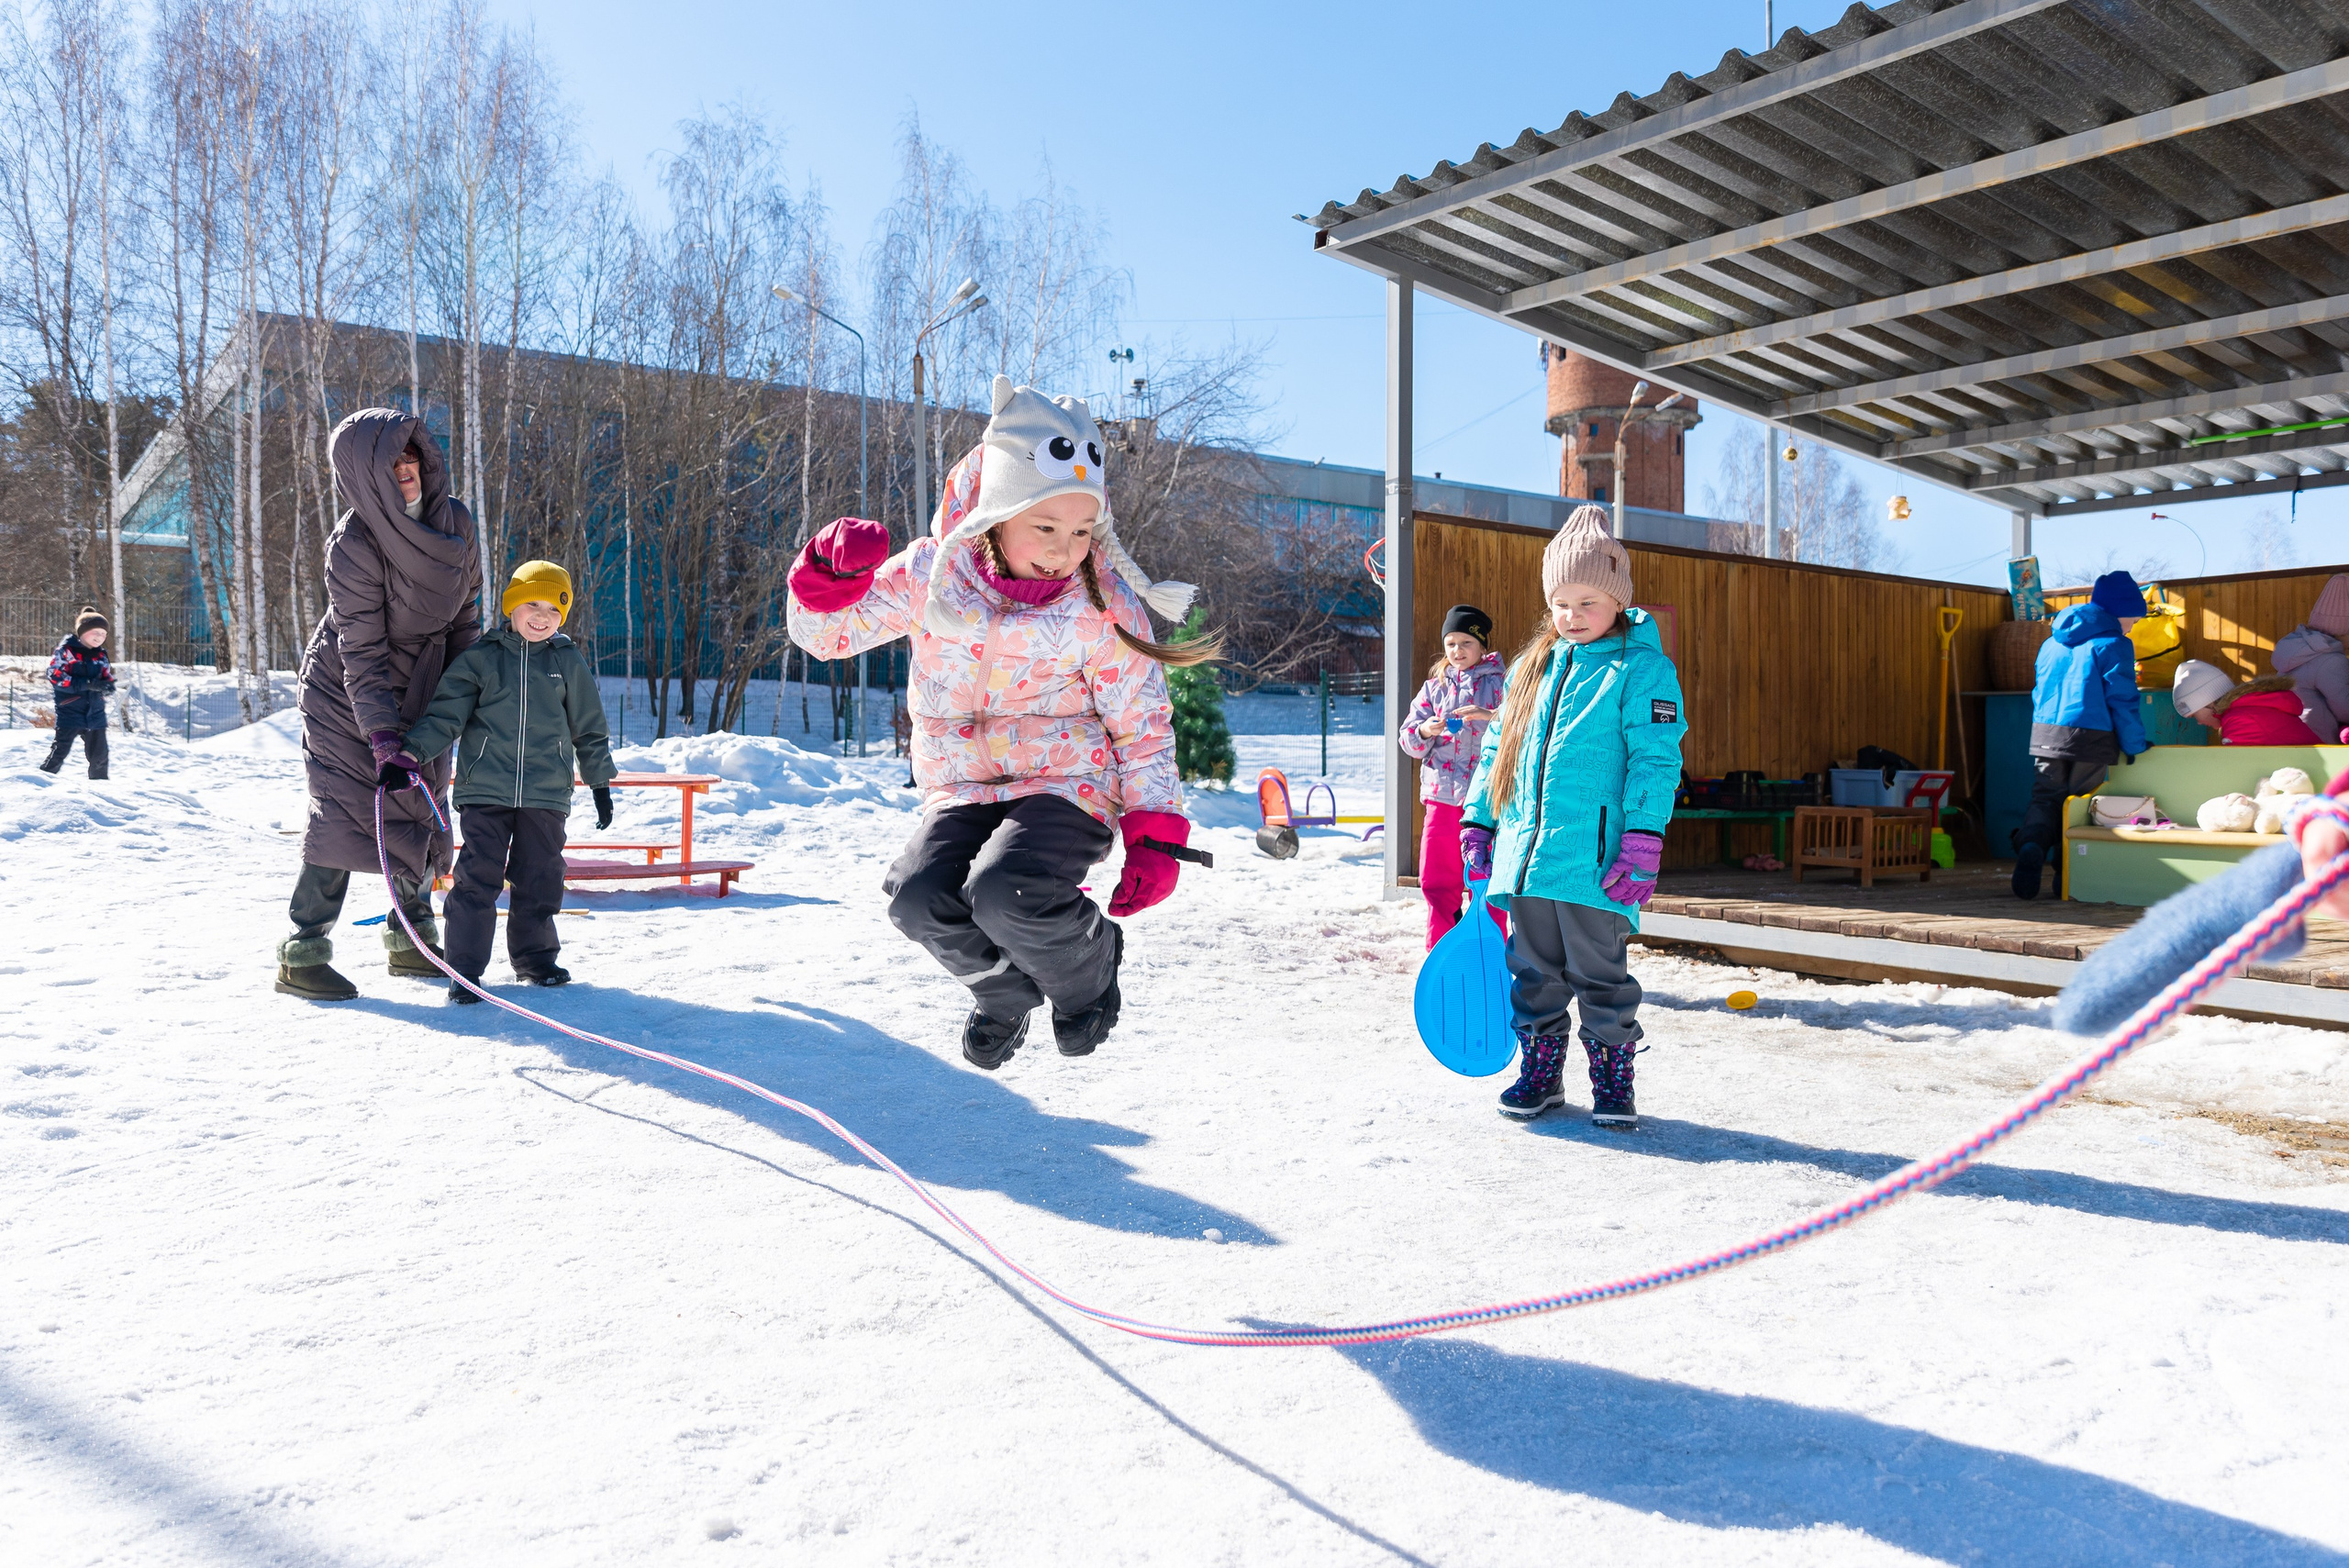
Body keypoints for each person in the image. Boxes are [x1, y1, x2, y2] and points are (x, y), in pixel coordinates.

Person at [786, 375, 1213, 1072]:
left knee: (1003, 888)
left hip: (1066, 785)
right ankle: (1002, 992)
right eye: (1044, 527)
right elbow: (827, 636)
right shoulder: (934, 576)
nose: (1062, 549)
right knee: (917, 897)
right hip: (964, 786)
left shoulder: (1097, 602)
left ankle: (1087, 972)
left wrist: (1155, 828)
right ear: (995, 512)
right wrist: (825, 576)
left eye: (1081, 531)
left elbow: (1141, 723)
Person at [1457, 506, 1686, 1128]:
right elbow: (1492, 754)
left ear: (1617, 601)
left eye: (1588, 601)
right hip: (1526, 857)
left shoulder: (1641, 670)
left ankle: (1613, 1081)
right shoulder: (1530, 668)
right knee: (1532, 972)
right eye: (1562, 602)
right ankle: (1540, 1073)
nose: (1572, 615)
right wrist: (1479, 822)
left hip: (1595, 862)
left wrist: (1642, 835)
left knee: (1600, 975)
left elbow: (1656, 759)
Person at [278, 410, 481, 1002]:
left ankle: (411, 942)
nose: (406, 470)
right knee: (347, 813)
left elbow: (466, 619)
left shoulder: (455, 523)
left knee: (419, 805)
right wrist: (384, 738)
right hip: (347, 693)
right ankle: (302, 953)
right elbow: (360, 649)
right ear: (366, 477)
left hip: (422, 684)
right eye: (390, 463)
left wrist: (470, 697)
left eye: (411, 457)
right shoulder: (355, 545)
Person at [391, 561, 616, 1001]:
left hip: (546, 793)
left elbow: (589, 727)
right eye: (533, 603)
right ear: (512, 605)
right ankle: (465, 972)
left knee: (541, 876)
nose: (542, 615)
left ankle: (535, 959)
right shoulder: (482, 658)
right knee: (478, 878)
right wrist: (410, 754)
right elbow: (445, 715)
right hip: (485, 788)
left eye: (554, 609)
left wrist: (600, 783)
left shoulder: (567, 662)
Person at [2012, 571, 2147, 900]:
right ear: (2121, 611)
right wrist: (2134, 744)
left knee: (2045, 798)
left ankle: (2031, 844)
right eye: (2135, 616)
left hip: (2045, 733)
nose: (2134, 624)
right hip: (2091, 735)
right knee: (2080, 805)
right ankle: (2066, 876)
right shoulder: (2115, 644)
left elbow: (2039, 691)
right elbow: (2122, 698)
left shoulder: (2051, 643)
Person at [1397, 604, 1508, 950]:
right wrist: (1425, 731)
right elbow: (1407, 740)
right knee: (1436, 877)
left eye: (1466, 643)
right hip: (1441, 797)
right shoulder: (1434, 688)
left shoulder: (1503, 684)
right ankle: (1439, 949)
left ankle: (1488, 950)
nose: (1458, 651)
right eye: (1451, 644)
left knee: (1485, 876)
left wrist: (1487, 715)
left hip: (1487, 800)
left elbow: (1521, 729)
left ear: (1482, 646)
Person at [2272, 573, 2349, 743]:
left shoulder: (2299, 649)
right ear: (2345, 629)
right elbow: (2345, 709)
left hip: (2293, 737)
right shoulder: (2330, 660)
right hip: (2320, 742)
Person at [2171, 659, 2322, 745]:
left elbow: (2237, 770)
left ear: (2209, 704)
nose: (2198, 722)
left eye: (2193, 715)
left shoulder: (2240, 719)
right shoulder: (2251, 709)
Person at [40, 607, 114, 780]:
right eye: (95, 632)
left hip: (95, 712)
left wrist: (107, 686)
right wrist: (85, 684)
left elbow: (106, 676)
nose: (99, 637)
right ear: (82, 632)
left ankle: (100, 788)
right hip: (70, 710)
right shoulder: (66, 651)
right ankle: (40, 782)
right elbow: (55, 676)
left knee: (100, 756)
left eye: (103, 634)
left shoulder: (101, 655)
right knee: (60, 751)